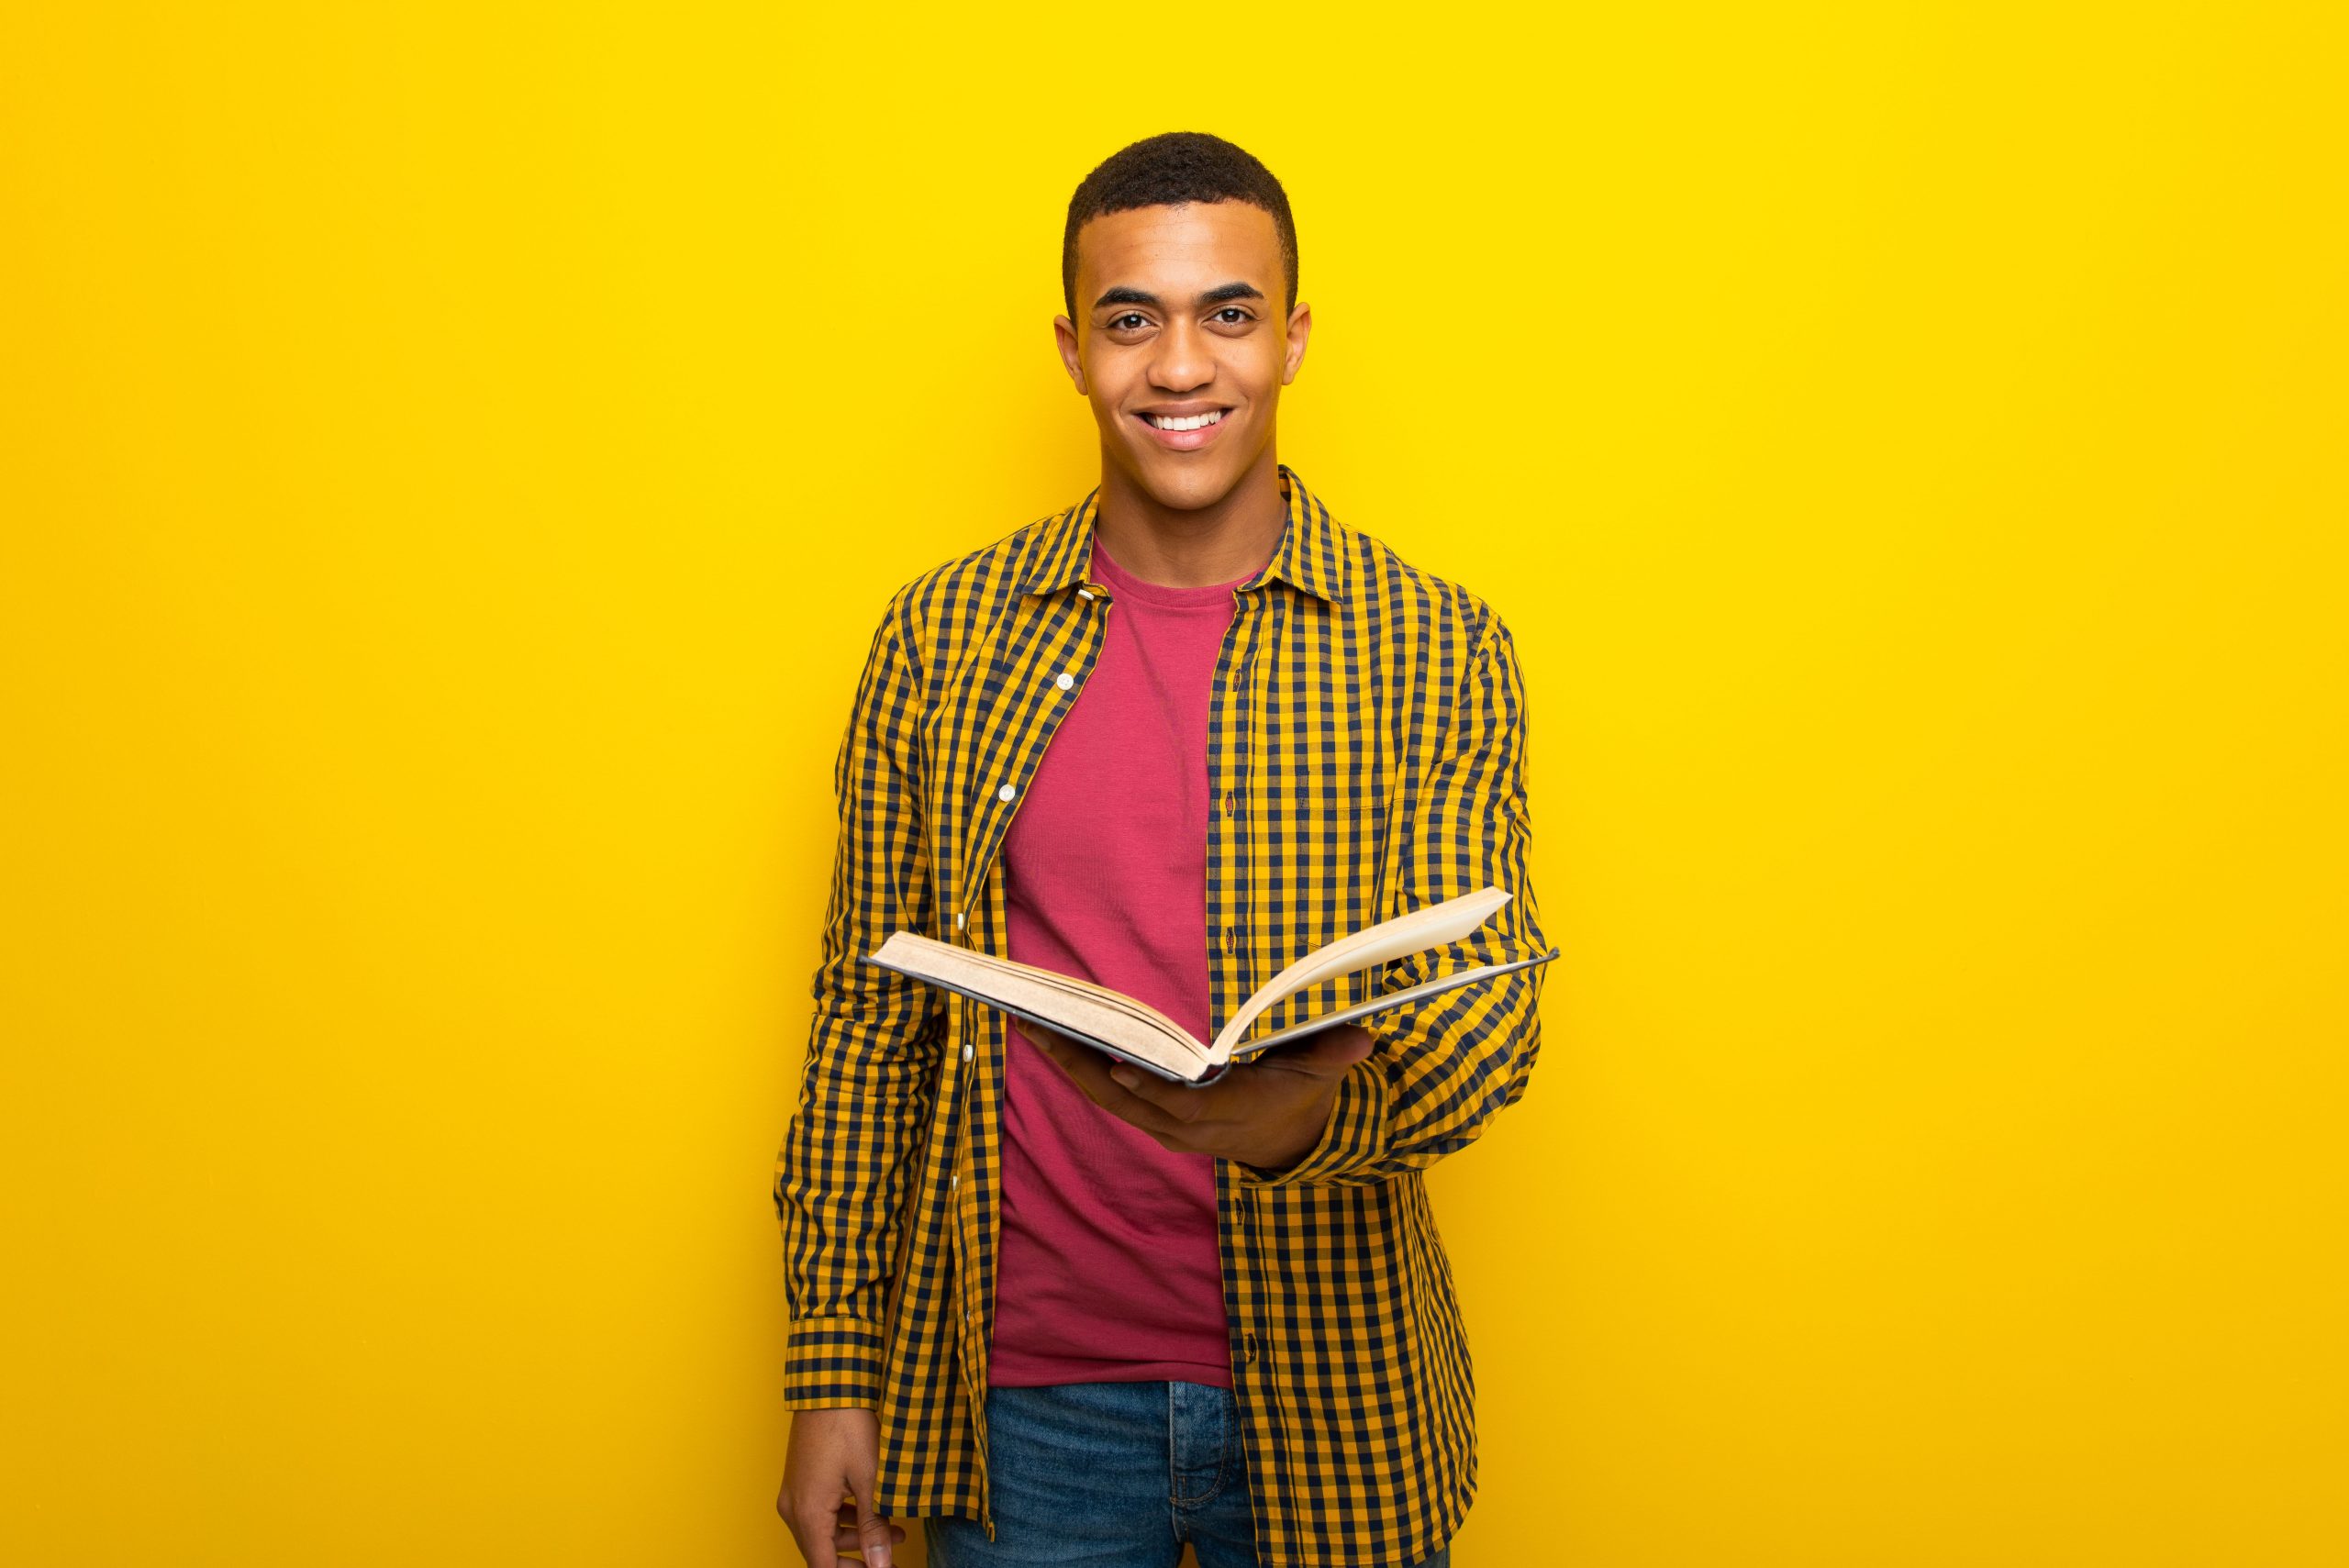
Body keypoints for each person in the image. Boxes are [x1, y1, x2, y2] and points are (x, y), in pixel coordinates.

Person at [774, 131, 1550, 1568]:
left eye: (1228, 314)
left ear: (1295, 339)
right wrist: (829, 1367)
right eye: (1133, 319)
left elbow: (1486, 1015)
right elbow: (868, 1026)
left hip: (1343, 1396)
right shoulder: (941, 641)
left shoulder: (1436, 645)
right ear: (1073, 350)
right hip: (1020, 1413)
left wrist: (1299, 1124)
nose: (1181, 367)